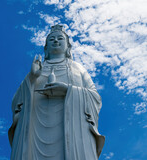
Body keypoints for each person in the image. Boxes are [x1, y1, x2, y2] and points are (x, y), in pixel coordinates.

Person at [8, 24, 105, 160]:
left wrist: (67, 90)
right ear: (46, 48)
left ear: (68, 47)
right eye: (51, 39)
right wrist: (32, 77)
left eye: (60, 38)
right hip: (35, 128)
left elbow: (95, 98)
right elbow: (16, 103)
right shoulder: (36, 69)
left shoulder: (78, 68)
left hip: (73, 129)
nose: (55, 41)